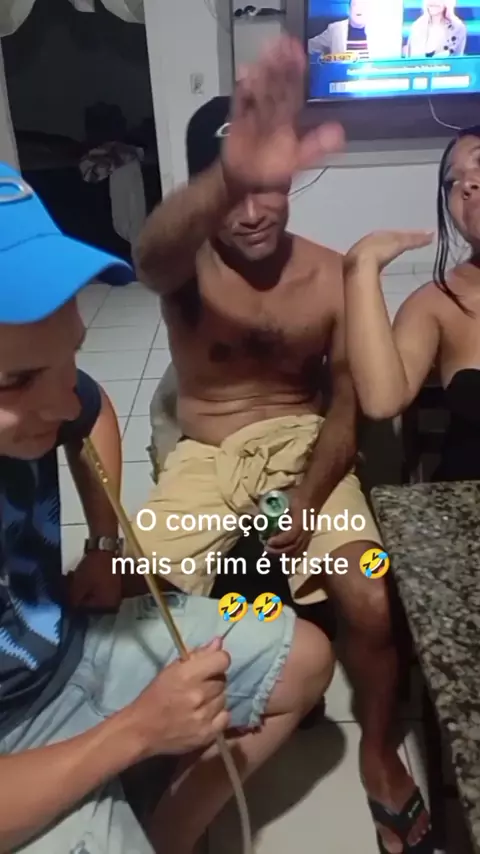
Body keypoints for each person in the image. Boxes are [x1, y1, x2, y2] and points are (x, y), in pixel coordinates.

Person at [133, 36, 433, 854]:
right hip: (204, 459)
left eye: (267, 186)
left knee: (369, 591)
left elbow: (349, 404)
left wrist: (307, 496)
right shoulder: (184, 268)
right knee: (136, 589)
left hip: (305, 449)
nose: (253, 212)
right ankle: (175, 748)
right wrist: (225, 179)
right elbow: (146, 255)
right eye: (233, 191)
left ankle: (378, 754)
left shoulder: (332, 275)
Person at [0, 159, 334, 854]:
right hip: (14, 744)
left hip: (68, 649)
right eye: (17, 381)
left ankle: (167, 835)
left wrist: (102, 545)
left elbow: (91, 406)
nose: (60, 402)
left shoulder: (58, 392)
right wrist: (136, 732)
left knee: (305, 657)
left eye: (69, 356)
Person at [344, 125, 480, 488]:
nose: (465, 186)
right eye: (452, 182)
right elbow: (381, 401)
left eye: (479, 165)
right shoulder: (436, 303)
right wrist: (362, 267)